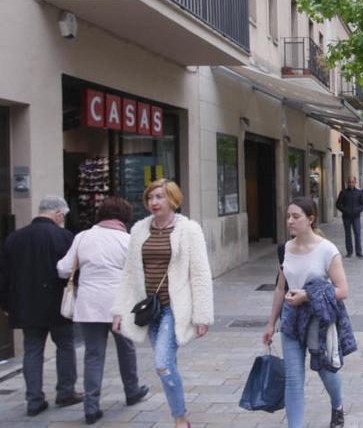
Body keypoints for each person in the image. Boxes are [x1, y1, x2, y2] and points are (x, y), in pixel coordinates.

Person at [111, 179, 214, 428]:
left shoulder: (189, 230)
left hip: (173, 308)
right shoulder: (138, 230)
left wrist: (202, 314)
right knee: (166, 365)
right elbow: (129, 273)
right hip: (148, 308)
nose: (154, 202)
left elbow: (200, 273)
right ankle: (181, 416)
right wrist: (118, 311)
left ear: (173, 199)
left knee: (162, 364)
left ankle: (181, 419)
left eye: (160, 197)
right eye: (150, 198)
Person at [263, 197, 354, 428]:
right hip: (290, 318)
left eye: (296, 216)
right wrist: (271, 324)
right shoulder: (285, 249)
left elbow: (342, 290)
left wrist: (307, 296)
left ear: (310, 219)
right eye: (288, 216)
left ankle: (337, 405)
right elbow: (280, 288)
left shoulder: (327, 250)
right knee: (293, 379)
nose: (290, 221)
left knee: (326, 371)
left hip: (317, 318)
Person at [57, 196, 149, 424]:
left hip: (89, 306)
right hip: (120, 304)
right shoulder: (127, 240)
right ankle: (132, 390)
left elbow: (63, 269)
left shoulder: (83, 237)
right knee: (126, 349)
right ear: (125, 217)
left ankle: (91, 407)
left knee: (93, 355)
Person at [0, 195, 82, 417]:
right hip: (58, 303)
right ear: (57, 214)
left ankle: (34, 400)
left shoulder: (14, 238)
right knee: (65, 345)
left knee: (32, 350)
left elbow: (4, 275)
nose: (62, 220)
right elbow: (74, 272)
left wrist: (5, 303)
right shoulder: (64, 237)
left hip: (26, 304)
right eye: (62, 216)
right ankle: (66, 392)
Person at [334, 176, 363, 258]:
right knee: (348, 235)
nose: (351, 184)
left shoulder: (359, 192)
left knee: (357, 234)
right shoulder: (343, 192)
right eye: (349, 182)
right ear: (347, 183)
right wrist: (345, 210)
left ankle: (359, 251)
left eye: (352, 182)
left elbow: (362, 204)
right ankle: (349, 251)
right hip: (346, 217)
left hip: (356, 217)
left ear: (355, 183)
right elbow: (338, 204)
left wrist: (358, 210)